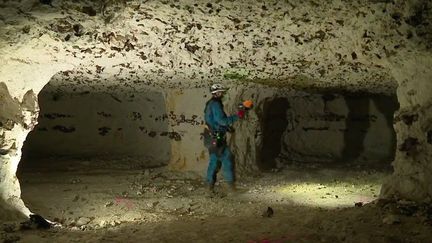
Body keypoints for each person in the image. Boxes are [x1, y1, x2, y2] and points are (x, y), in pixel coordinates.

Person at [203, 83, 246, 194]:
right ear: (216, 93)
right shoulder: (216, 104)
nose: (223, 94)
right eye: (221, 92)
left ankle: (209, 187)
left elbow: (212, 120)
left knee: (214, 161)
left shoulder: (210, 103)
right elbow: (221, 120)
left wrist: (226, 128)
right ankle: (230, 187)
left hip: (210, 136)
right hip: (216, 137)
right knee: (226, 158)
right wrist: (238, 116)